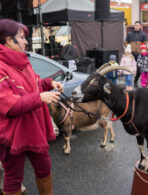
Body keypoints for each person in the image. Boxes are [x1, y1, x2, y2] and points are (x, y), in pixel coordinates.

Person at [0, 19, 63, 195]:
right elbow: (10, 105)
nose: (26, 42)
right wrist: (40, 98)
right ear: (9, 40)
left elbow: (34, 85)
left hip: (32, 128)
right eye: (22, 37)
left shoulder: (23, 61)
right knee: (13, 178)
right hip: (12, 135)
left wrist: (49, 83)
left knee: (45, 167)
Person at [125, 21, 147, 88]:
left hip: (140, 54)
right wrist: (128, 47)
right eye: (136, 25)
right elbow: (125, 42)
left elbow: (145, 44)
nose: (137, 26)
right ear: (134, 26)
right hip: (131, 54)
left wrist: (143, 50)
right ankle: (129, 82)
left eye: (138, 25)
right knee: (130, 68)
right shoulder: (129, 34)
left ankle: (135, 80)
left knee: (139, 69)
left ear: (140, 26)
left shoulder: (143, 34)